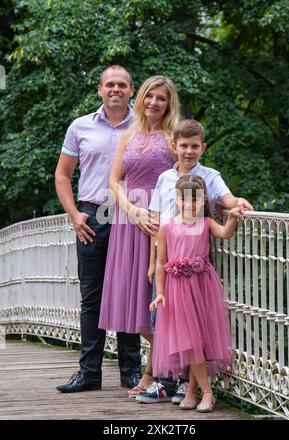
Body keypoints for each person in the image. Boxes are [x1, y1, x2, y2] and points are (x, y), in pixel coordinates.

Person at [137, 119, 253, 403]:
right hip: (168, 259)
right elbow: (158, 221)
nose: (189, 151)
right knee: (164, 322)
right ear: (174, 147)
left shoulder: (209, 177)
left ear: (202, 147)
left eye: (195, 146)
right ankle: (168, 380)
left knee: (195, 326)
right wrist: (154, 262)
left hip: (195, 268)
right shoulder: (164, 179)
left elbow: (225, 198)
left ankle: (188, 386)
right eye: (184, 146)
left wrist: (237, 202)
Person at [55, 65, 142, 393]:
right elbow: (62, 174)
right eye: (110, 84)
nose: (115, 89)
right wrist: (75, 214)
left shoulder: (145, 126)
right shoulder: (80, 127)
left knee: (128, 293)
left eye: (122, 84)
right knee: (92, 297)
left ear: (131, 90)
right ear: (100, 90)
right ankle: (89, 372)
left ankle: (131, 372)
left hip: (131, 214)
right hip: (93, 217)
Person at [98, 75, 181, 396]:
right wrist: (133, 212)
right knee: (133, 305)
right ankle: (161, 372)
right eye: (149, 96)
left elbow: (189, 176)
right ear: (141, 97)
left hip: (161, 222)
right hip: (128, 222)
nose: (153, 103)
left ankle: (165, 372)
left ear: (168, 103)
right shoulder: (129, 134)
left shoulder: (174, 135)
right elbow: (114, 181)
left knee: (154, 302)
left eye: (161, 98)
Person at [150, 175, 244, 412]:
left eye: (195, 200)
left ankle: (196, 392)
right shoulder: (167, 226)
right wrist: (159, 293)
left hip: (202, 286)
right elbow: (161, 263)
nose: (190, 205)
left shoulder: (206, 223)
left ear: (202, 199)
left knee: (198, 341)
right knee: (189, 342)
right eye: (184, 199)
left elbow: (226, 233)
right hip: (177, 289)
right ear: (177, 199)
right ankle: (204, 392)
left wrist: (232, 217)